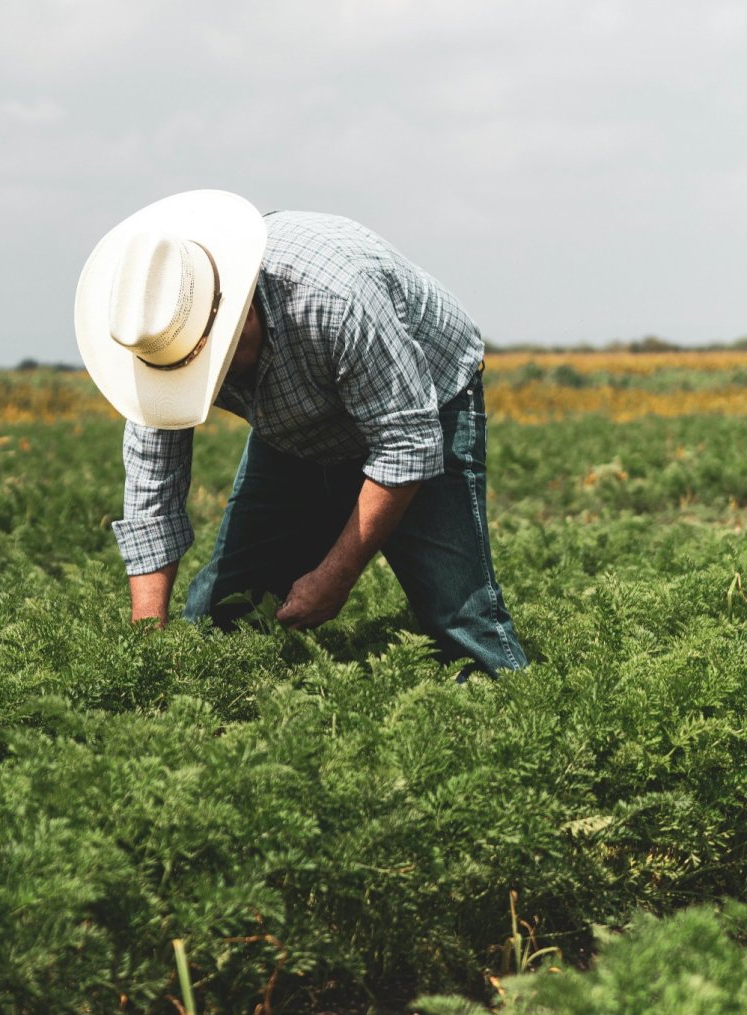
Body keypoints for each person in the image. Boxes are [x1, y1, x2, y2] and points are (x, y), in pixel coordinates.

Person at [74, 190, 527, 677]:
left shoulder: (336, 298)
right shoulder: (156, 334)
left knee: (457, 616)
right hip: (294, 426)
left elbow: (406, 443)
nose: (212, 377)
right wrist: (148, 652)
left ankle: (506, 694)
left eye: (215, 361)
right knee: (221, 615)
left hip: (426, 401)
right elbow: (151, 496)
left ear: (239, 310)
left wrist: (336, 576)